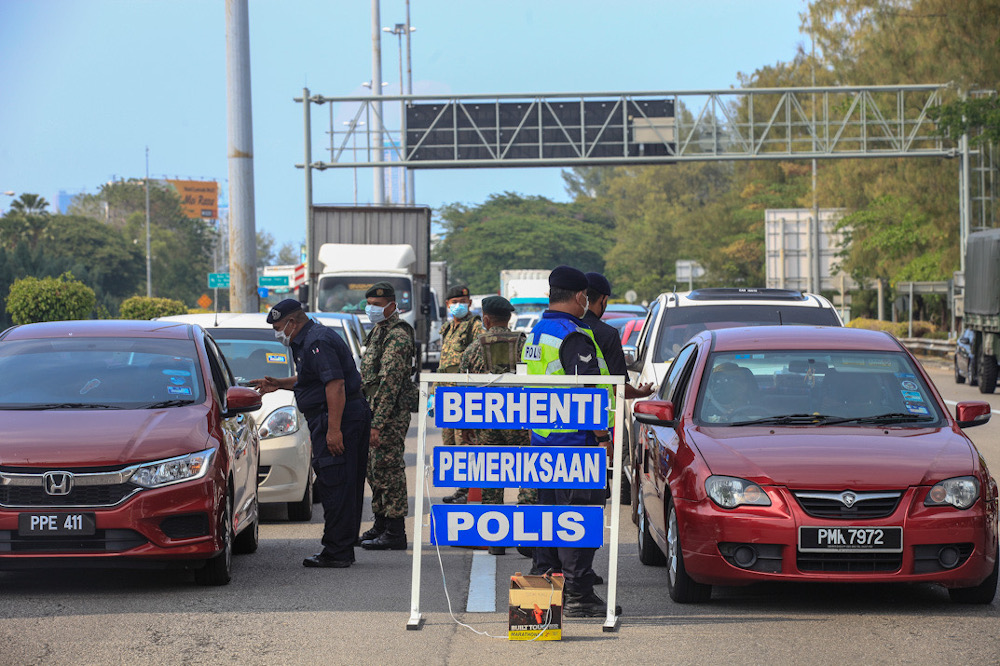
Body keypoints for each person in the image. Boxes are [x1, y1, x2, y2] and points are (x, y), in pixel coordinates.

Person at [521, 265, 619, 619]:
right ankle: (577, 594)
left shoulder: (537, 332)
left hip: (543, 442)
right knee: (578, 516)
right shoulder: (572, 335)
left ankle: (544, 586)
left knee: (549, 516)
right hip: (575, 444)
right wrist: (603, 435)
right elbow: (588, 391)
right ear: (580, 297)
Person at [249, 299, 371, 568]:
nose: (278, 333)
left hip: (339, 418)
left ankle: (337, 552)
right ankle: (342, 545)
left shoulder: (318, 341)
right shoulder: (307, 340)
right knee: (342, 482)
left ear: (292, 322)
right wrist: (279, 384)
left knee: (335, 482)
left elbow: (335, 386)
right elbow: (312, 379)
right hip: (337, 416)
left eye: (279, 327)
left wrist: (334, 430)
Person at [457, 295, 536, 555]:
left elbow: (463, 391)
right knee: (527, 473)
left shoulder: (472, 349)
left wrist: (465, 427)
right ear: (509, 317)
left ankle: (496, 540)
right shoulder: (524, 344)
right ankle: (527, 534)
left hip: (486, 423)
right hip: (521, 420)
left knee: (492, 475)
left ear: (486, 319)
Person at [358, 282, 416, 550]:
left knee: (389, 469)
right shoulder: (378, 332)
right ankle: (381, 523)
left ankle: (395, 531)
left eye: (378, 306)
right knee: (374, 468)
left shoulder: (398, 335)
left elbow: (389, 382)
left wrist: (377, 423)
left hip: (389, 412)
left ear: (392, 305)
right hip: (375, 407)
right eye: (369, 305)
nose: (372, 310)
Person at [438, 284, 485, 504]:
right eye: (454, 302)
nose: (458, 305)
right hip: (446, 396)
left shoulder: (475, 327)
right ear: (447, 304)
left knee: (466, 443)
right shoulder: (448, 328)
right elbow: (444, 364)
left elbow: (479, 359)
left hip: (463, 398)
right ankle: (461, 488)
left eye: (462, 302)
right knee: (452, 446)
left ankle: (471, 491)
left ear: (470, 303)